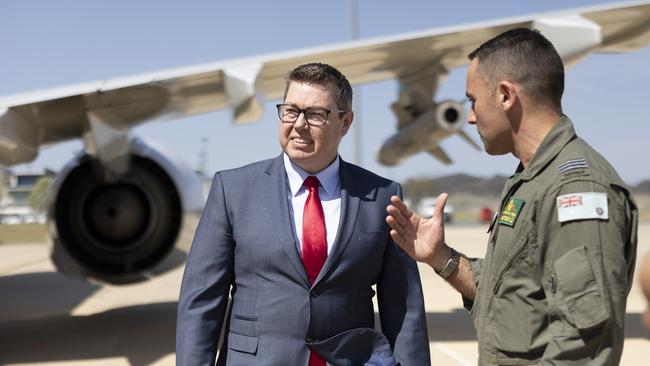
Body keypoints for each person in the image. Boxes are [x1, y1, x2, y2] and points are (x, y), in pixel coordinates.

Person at [386, 28, 638, 365]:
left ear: (505, 95)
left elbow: (584, 346)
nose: (471, 116)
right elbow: (513, 295)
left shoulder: (575, 189)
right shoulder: (533, 179)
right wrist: (440, 257)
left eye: (473, 100)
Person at [177, 63, 430, 366]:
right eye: (290, 110)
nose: (298, 124)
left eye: (315, 114)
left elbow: (404, 309)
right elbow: (201, 302)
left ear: (345, 122)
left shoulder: (381, 197)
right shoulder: (232, 190)